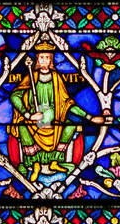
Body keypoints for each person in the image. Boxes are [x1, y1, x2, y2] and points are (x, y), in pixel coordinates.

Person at [8, 40, 108, 181]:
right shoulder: (31, 77)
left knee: (70, 126)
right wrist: (28, 115)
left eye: (47, 57)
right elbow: (14, 95)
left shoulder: (56, 78)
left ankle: (55, 161)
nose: (44, 60)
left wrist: (90, 117)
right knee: (22, 127)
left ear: (51, 60)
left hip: (54, 120)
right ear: (37, 59)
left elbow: (67, 103)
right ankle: (35, 163)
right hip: (35, 121)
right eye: (41, 57)